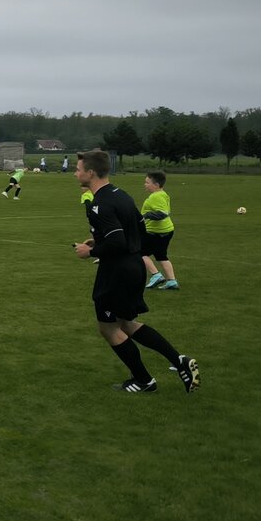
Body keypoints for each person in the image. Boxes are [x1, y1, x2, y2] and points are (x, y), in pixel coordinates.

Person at [72, 149, 198, 393]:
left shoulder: (100, 203)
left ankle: (144, 380)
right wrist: (100, 241)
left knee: (108, 328)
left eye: (78, 170)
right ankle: (179, 361)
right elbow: (137, 232)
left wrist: (91, 251)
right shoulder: (121, 195)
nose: (75, 174)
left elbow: (118, 242)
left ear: (91, 172)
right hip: (134, 267)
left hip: (116, 272)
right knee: (126, 324)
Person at [140, 172, 177, 290]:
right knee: (161, 255)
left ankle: (156, 275)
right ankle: (172, 281)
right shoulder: (163, 194)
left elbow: (162, 213)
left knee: (139, 252)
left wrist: (145, 215)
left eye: (147, 182)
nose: (145, 184)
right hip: (167, 230)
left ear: (156, 184)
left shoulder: (155, 196)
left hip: (155, 232)